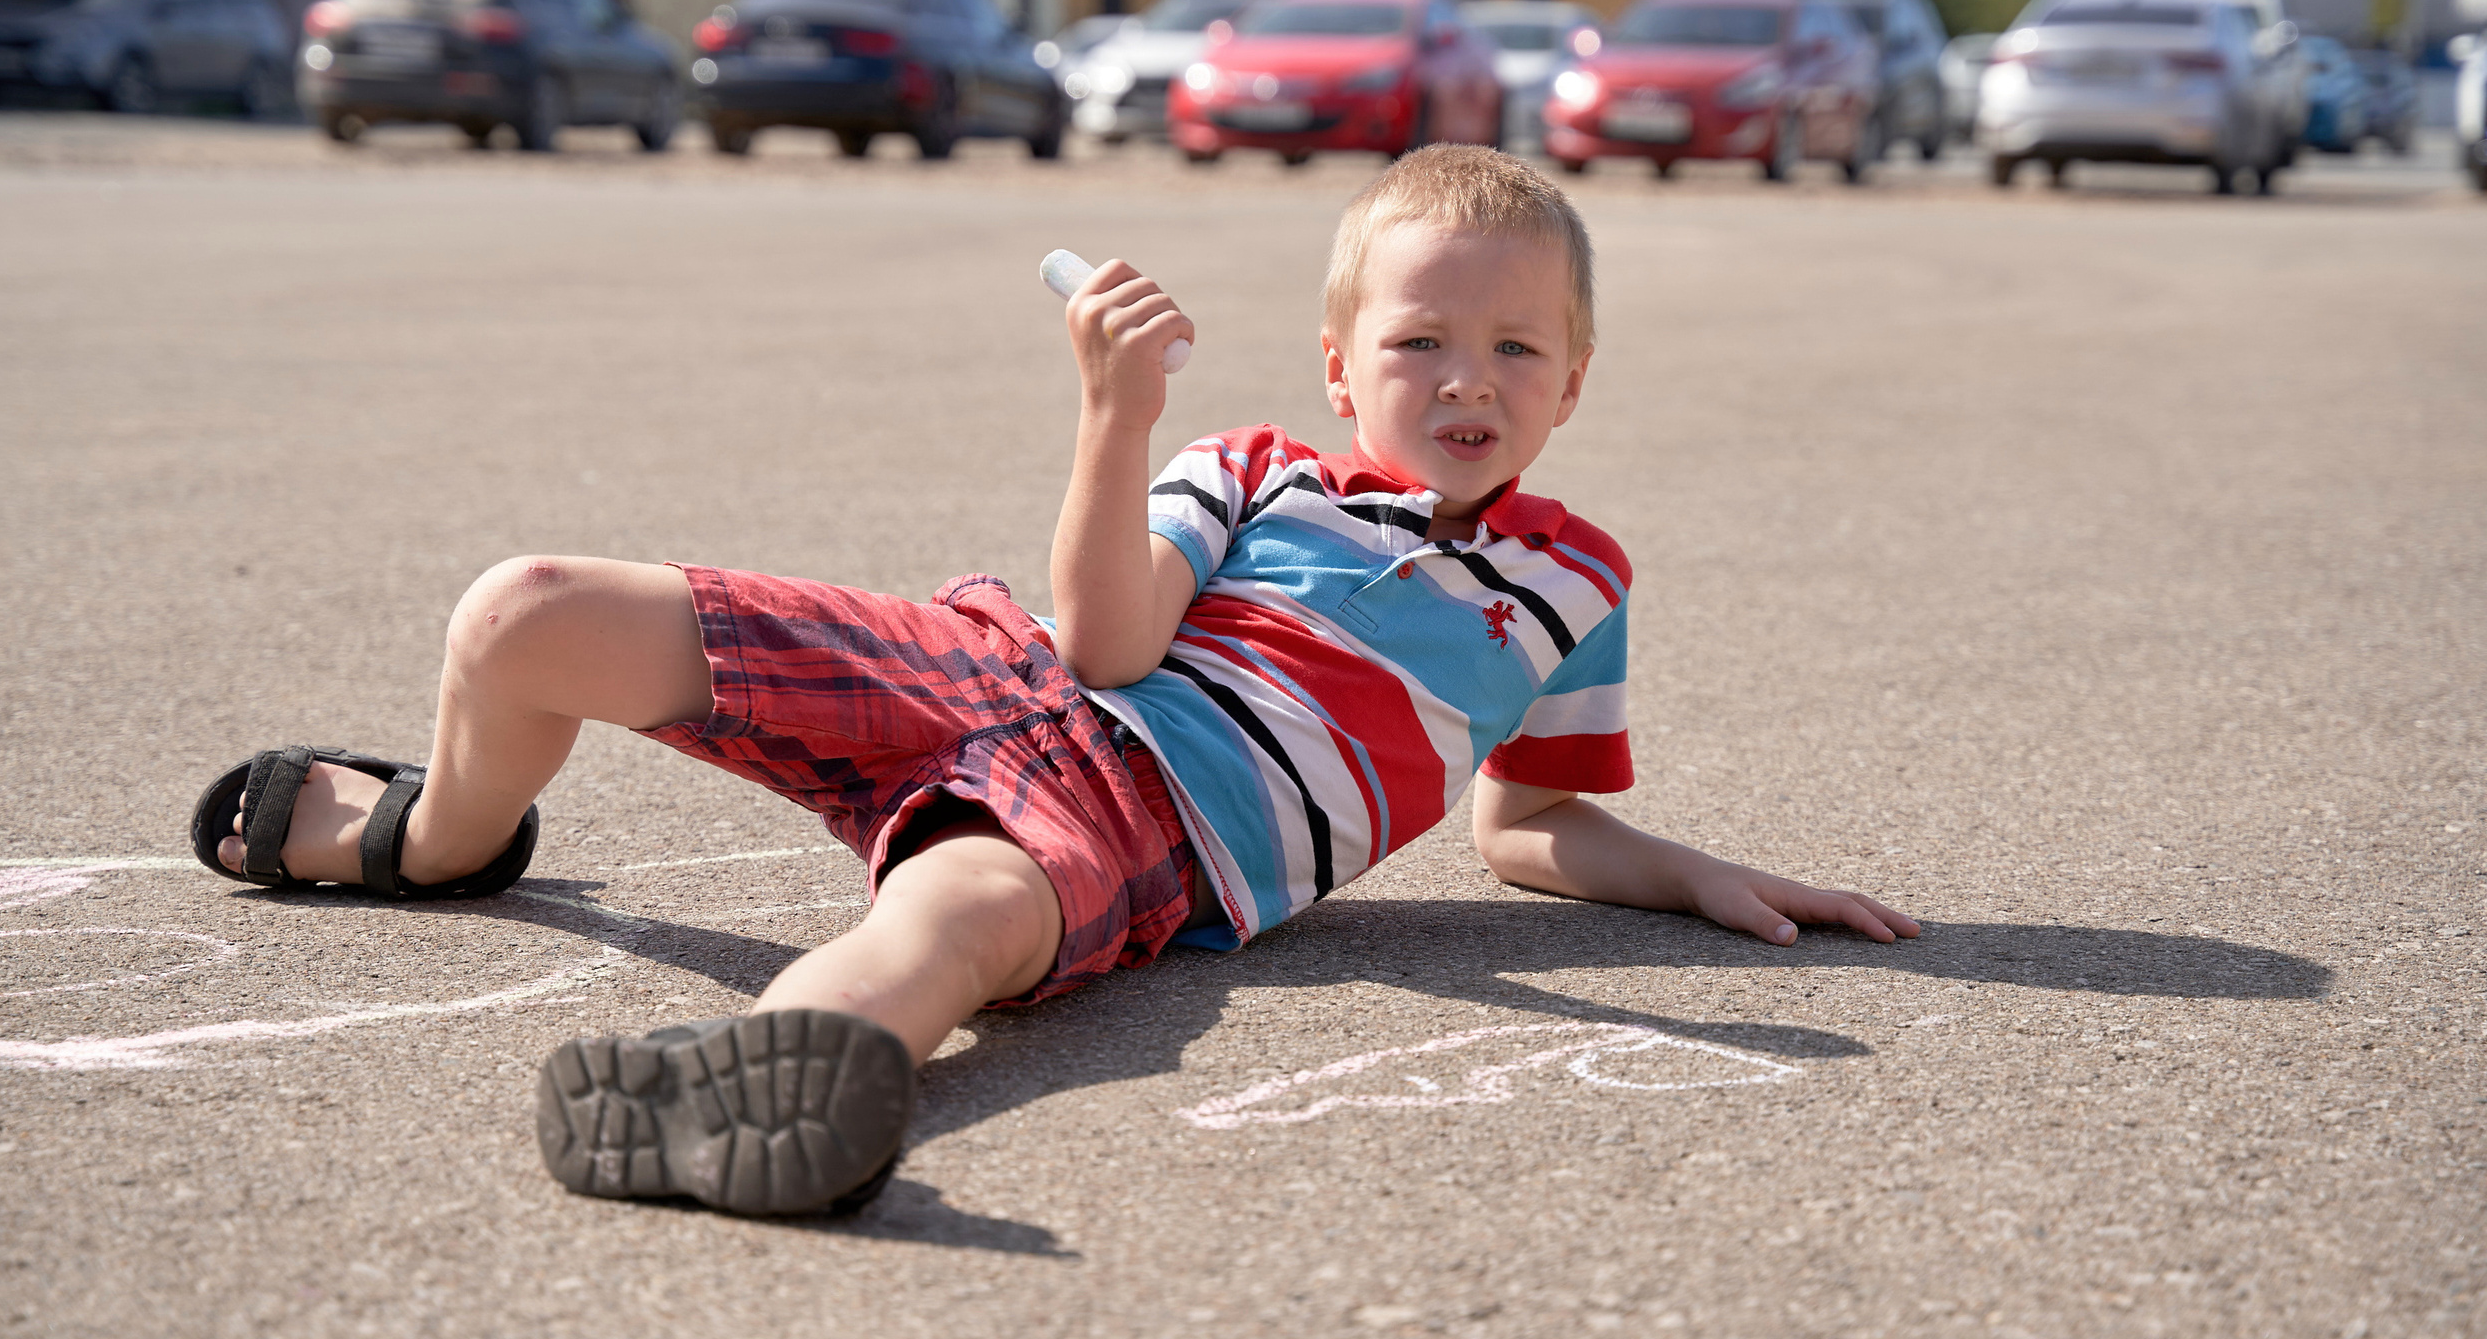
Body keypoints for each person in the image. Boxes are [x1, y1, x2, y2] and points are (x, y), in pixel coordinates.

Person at [189, 146, 1918, 1218]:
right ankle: (442, 841)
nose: (1467, 378)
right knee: (524, 610)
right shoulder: (1255, 472)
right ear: (1339, 366)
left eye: (1515, 348)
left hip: (1147, 812)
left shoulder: (1572, 582)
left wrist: (1691, 873)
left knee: (958, 925)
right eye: (1418, 342)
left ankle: (773, 1084)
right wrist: (1119, 419)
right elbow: (1102, 643)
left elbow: (1528, 823)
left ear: (1575, 382)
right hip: (998, 667)